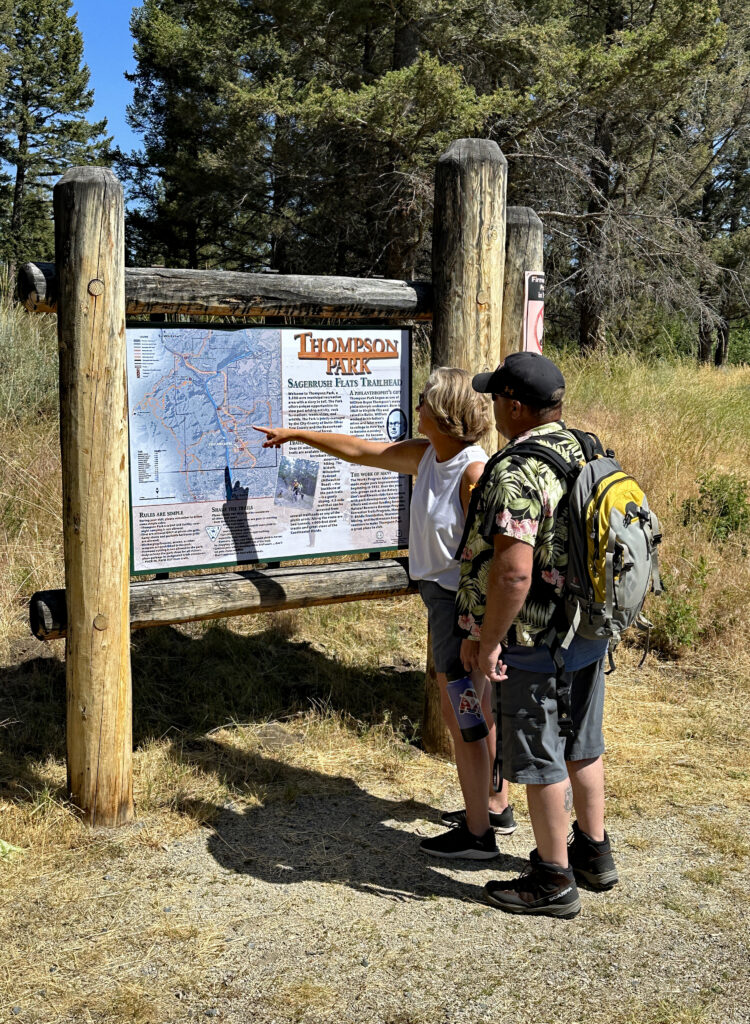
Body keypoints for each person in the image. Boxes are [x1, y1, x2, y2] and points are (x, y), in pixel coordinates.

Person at [254, 367, 516, 858]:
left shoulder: (473, 472)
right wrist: (296, 435)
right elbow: (359, 450)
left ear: (442, 414)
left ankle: (478, 834)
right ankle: (496, 804)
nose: (415, 406)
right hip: (442, 601)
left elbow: (489, 555)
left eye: (422, 400)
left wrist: (477, 630)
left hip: (457, 608)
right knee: (474, 707)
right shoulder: (428, 455)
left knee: (460, 714)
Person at [456, 351, 618, 919]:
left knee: (537, 752)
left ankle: (552, 878)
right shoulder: (585, 447)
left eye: (497, 398)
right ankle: (593, 852)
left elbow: (514, 572)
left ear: (517, 406)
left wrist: (491, 638)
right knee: (582, 743)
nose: (493, 407)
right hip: (588, 629)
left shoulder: (516, 470)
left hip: (534, 638)